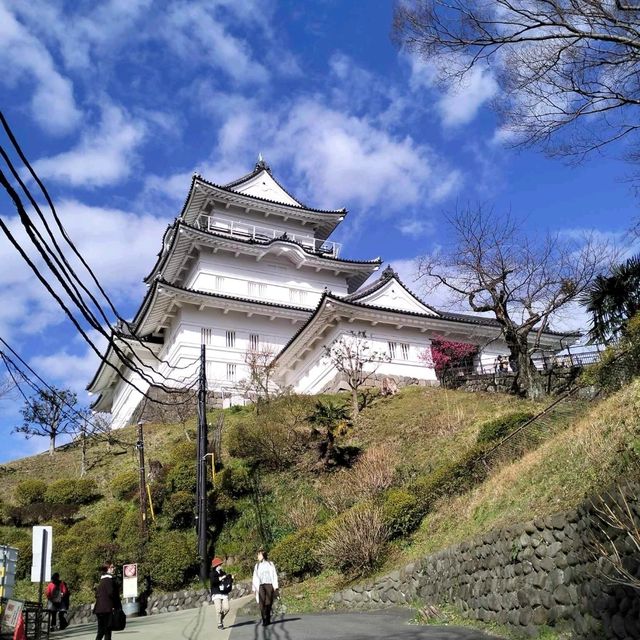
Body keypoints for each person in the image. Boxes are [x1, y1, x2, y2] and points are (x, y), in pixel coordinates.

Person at [252, 549, 279, 627]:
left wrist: (275, 586)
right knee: (261, 603)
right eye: (257, 554)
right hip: (260, 586)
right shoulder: (257, 566)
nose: (258, 556)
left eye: (259, 554)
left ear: (263, 555)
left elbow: (274, 575)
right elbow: (254, 577)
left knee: (268, 603)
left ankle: (268, 618)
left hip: (269, 585)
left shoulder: (270, 564)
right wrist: (254, 588)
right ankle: (264, 619)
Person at [94, 562, 121, 640]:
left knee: (101, 631)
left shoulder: (102, 581)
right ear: (107, 569)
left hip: (99, 609)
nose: (114, 568)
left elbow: (96, 595)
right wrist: (115, 606)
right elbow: (111, 593)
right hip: (107, 609)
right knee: (107, 631)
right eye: (112, 567)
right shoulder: (109, 580)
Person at [209, 557, 233, 630]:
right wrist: (221, 578)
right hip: (216, 593)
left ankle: (220, 619)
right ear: (216, 565)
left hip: (223, 592)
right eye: (220, 564)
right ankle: (219, 623)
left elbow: (227, 582)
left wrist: (231, 578)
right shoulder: (212, 573)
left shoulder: (223, 572)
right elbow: (213, 581)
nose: (221, 565)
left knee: (227, 608)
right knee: (218, 609)